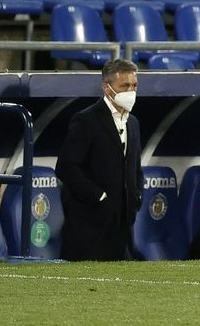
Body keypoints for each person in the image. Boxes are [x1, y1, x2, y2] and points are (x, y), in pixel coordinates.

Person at [56, 58, 144, 261]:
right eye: (124, 86)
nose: (130, 91)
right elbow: (66, 167)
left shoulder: (133, 123)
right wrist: (99, 197)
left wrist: (136, 197)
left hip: (123, 227)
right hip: (89, 226)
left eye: (134, 86)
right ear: (107, 88)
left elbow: (135, 167)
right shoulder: (86, 119)